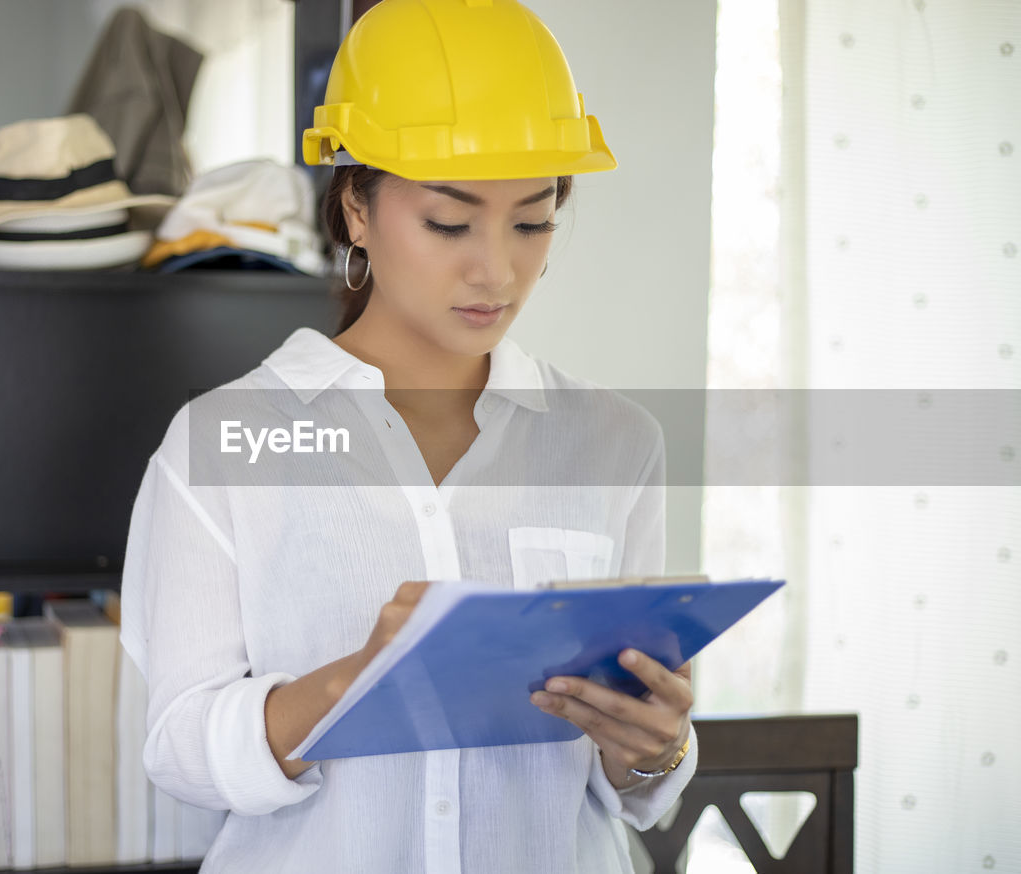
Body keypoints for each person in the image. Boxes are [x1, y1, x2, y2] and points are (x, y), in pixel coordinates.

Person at [119, 1, 697, 871]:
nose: (497, 270)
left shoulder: (617, 441)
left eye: (533, 221)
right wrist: (356, 682)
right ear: (356, 207)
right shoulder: (224, 442)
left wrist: (657, 749)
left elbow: (636, 776)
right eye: (450, 223)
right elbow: (178, 748)